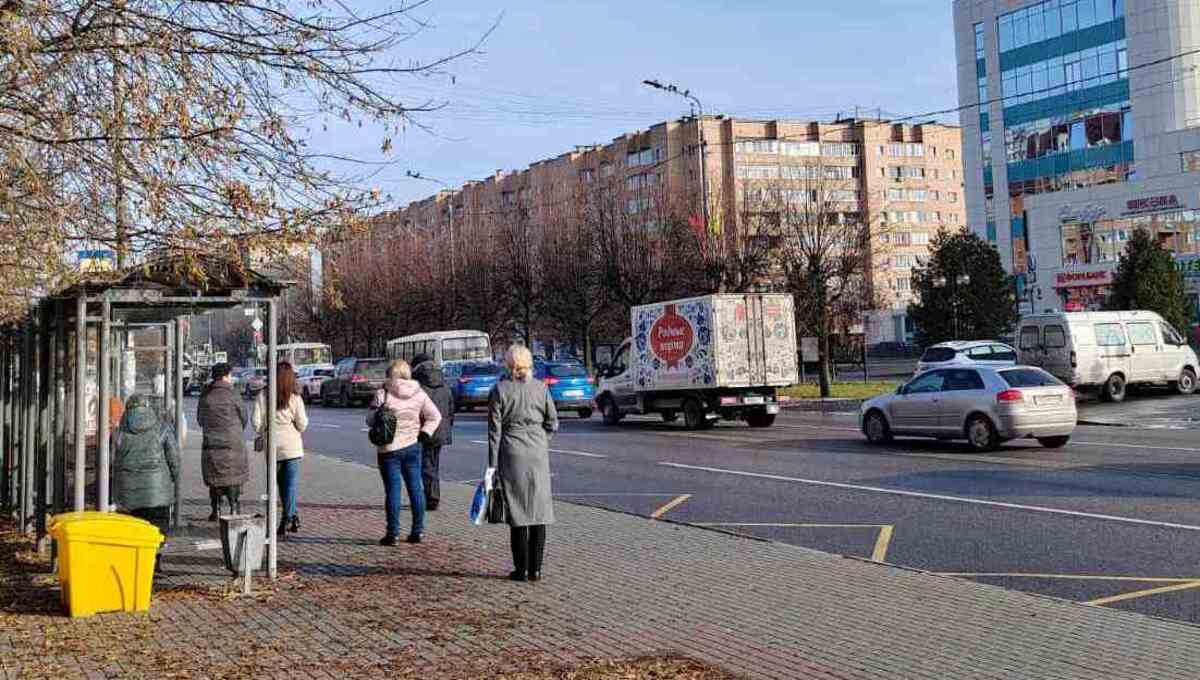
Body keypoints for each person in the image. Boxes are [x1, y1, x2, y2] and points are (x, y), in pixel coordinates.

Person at [488, 345, 558, 583]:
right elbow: (553, 422)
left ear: (508, 364)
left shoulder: (500, 390)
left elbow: (494, 433)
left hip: (511, 452)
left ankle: (520, 569)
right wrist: (540, 440)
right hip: (538, 453)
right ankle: (536, 570)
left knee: (517, 513)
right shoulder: (541, 388)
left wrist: (492, 467)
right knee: (539, 512)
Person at [367, 359, 441, 546]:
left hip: (388, 449)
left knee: (393, 491)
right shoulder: (419, 392)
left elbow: (369, 420)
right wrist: (425, 432)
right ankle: (418, 531)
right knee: (416, 488)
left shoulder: (382, 393)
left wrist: (378, 413)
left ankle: (392, 534)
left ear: (390, 374)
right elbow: (435, 416)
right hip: (412, 445)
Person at [112, 394, 180, 538]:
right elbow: (174, 459)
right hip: (158, 496)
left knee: (135, 538)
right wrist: (172, 479)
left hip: (128, 498)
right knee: (157, 536)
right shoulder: (163, 429)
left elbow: (112, 464)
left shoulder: (119, 433)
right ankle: (156, 559)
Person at [254, 362, 308, 539]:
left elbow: (256, 422)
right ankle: (289, 516)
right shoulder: (295, 397)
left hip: (272, 447)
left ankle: (289, 517)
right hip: (291, 447)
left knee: (277, 485)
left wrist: (265, 429)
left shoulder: (264, 394)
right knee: (290, 485)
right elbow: (303, 424)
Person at [196, 363, 249, 521]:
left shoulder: (206, 396)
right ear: (226, 376)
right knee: (233, 477)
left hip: (212, 442)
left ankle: (216, 509)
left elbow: (200, 420)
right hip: (233, 443)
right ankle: (233, 508)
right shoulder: (234, 395)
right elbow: (244, 418)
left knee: (215, 477)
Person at [412, 354, 455, 511]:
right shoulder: (444, 385)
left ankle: (431, 499)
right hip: (441, 430)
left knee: (425, 465)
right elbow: (451, 410)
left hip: (424, 431)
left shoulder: (417, 386)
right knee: (432, 464)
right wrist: (447, 427)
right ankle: (430, 495)